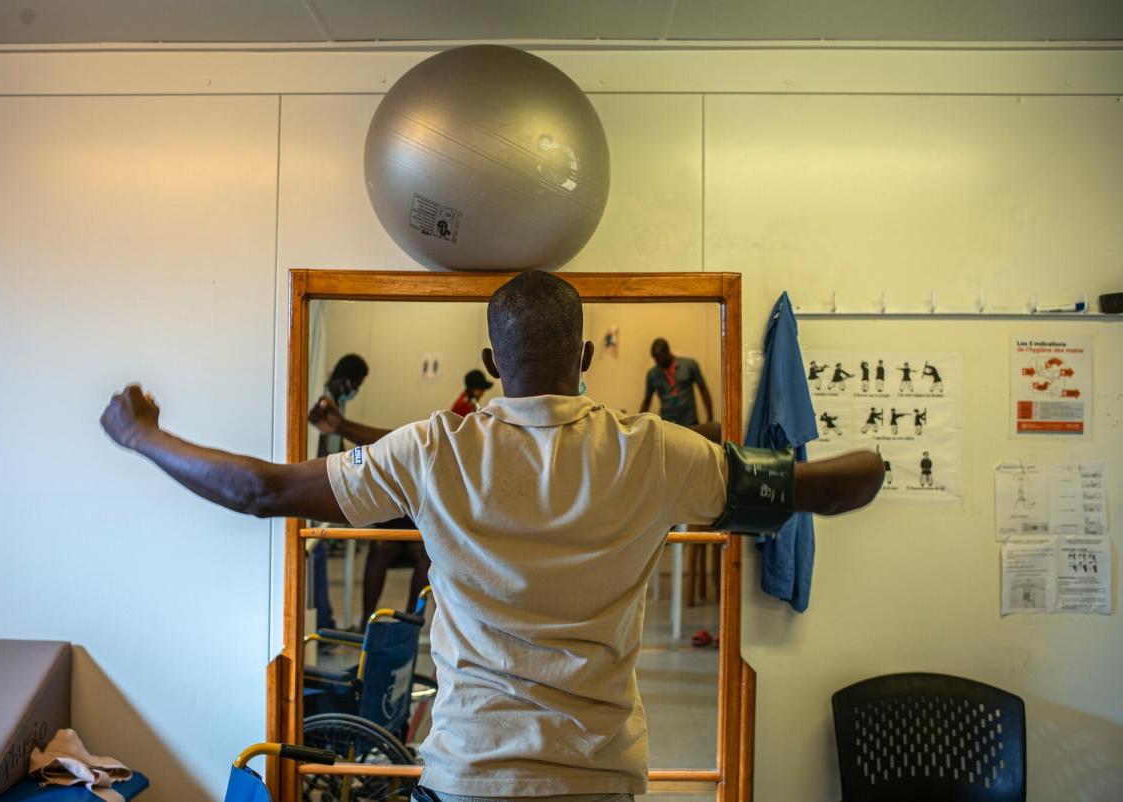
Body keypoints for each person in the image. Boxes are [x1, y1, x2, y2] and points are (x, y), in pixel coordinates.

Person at [100, 270, 884, 800]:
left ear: (489, 362)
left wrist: (143, 436)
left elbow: (260, 491)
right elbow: (831, 487)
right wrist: (877, 462)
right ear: (581, 358)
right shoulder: (655, 450)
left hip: (472, 775)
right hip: (599, 782)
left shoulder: (437, 448)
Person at [306, 353, 368, 631]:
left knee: (317, 556)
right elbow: (320, 449)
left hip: (326, 481)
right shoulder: (321, 404)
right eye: (357, 384)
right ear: (346, 381)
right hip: (315, 482)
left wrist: (358, 460)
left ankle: (325, 623)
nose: (356, 390)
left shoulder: (336, 404)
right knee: (314, 555)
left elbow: (340, 447)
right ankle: (323, 626)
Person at [641, 338, 713, 426]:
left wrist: (710, 418)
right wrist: (638, 424)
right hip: (667, 424)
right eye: (655, 358)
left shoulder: (689, 365)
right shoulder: (652, 374)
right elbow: (647, 401)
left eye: (660, 357)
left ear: (667, 352)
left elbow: (703, 390)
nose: (658, 361)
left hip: (690, 422)